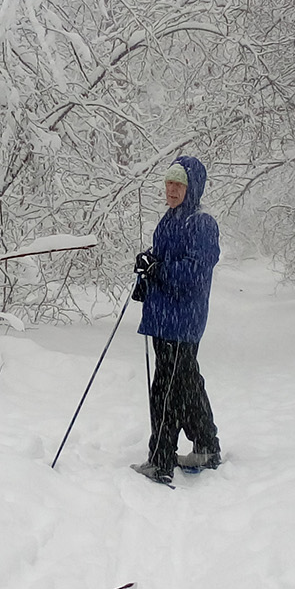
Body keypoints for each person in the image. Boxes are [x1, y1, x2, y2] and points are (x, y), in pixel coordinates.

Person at [131, 156, 221, 486]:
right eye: (168, 183)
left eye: (178, 184)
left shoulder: (202, 224)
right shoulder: (168, 220)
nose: (171, 190)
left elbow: (196, 272)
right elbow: (164, 260)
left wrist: (161, 270)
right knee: (185, 384)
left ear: (192, 188)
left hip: (183, 319)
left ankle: (161, 460)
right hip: (164, 317)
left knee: (166, 390)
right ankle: (207, 446)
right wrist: (147, 269)